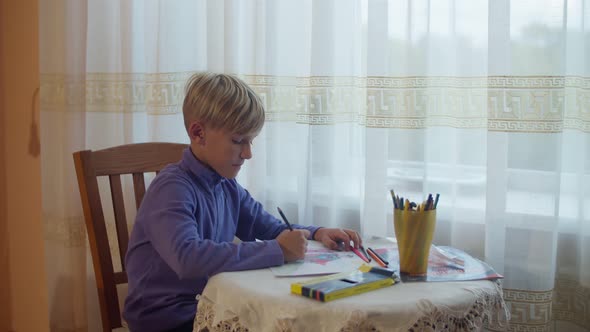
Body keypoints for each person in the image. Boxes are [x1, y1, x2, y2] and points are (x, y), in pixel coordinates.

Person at [123, 72, 362, 332]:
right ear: (198, 132)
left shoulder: (226, 186)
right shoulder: (171, 188)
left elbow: (270, 227)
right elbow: (187, 257)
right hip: (164, 318)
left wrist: (318, 232)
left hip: (208, 307)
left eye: (250, 141)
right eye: (238, 141)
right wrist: (278, 250)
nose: (248, 153)